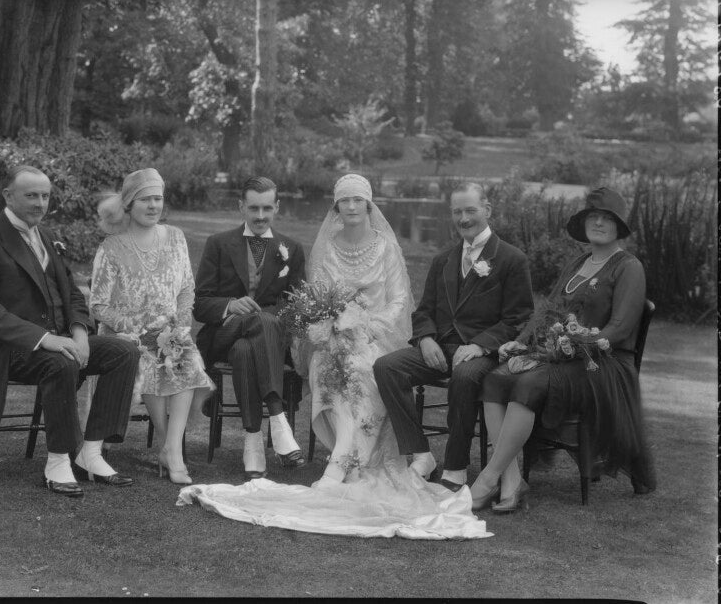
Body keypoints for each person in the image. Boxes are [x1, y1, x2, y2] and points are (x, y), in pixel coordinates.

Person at [177, 174, 490, 540]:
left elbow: (400, 301)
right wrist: (333, 325)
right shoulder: (318, 249)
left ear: (369, 205)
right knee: (329, 360)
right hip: (316, 335)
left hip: (374, 334)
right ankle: (299, 434)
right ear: (336, 206)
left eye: (359, 200)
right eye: (346, 201)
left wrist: (366, 328)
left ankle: (333, 457)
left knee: (362, 365)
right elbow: (312, 299)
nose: (353, 207)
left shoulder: (380, 248)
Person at [469, 187, 657, 512]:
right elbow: (548, 310)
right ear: (584, 223)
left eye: (607, 218)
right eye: (592, 216)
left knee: (528, 383)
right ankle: (512, 481)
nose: (598, 222)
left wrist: (560, 351)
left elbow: (620, 329)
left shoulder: (628, 267)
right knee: (495, 381)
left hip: (605, 363)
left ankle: (487, 479)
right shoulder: (578, 262)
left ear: (618, 227)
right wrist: (522, 342)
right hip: (564, 355)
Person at [0, 165, 140, 498]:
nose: (40, 203)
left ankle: (91, 452)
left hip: (58, 340)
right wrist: (49, 340)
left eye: (45, 195)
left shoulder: (45, 235)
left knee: (124, 351)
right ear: (7, 196)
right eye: (31, 195)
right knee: (61, 363)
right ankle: (57, 461)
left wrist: (80, 334)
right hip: (3, 349)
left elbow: (71, 293)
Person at [374, 182, 534, 492]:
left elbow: (519, 317)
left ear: (487, 210)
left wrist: (479, 345)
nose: (463, 219)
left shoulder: (512, 260)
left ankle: (456, 467)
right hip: (441, 345)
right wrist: (425, 339)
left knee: (464, 376)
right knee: (386, 367)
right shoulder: (443, 259)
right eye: (457, 212)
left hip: (484, 352)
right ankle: (421, 455)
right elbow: (423, 311)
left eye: (470, 211)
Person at [89, 168, 214, 485]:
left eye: (158, 198)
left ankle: (170, 449)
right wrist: (132, 325)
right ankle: (170, 448)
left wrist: (183, 317)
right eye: (146, 199)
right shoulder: (111, 247)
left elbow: (187, 287)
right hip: (125, 334)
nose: (153, 205)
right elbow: (98, 304)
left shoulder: (175, 238)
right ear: (129, 203)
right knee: (148, 357)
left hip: (169, 329)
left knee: (184, 356)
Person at [193, 176, 307, 478]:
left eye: (267, 208)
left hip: (266, 343)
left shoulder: (292, 249)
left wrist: (264, 316)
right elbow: (200, 303)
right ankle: (277, 417)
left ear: (277, 207)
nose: (260, 216)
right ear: (241, 205)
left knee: (247, 348)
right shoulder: (218, 244)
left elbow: (296, 307)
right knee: (255, 325)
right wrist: (230, 305)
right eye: (253, 208)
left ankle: (253, 441)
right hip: (222, 335)